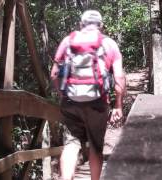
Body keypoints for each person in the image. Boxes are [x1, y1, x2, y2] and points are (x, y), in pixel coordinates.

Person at [50, 10, 126, 180]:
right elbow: (119, 77)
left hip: (71, 101)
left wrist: (63, 95)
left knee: (71, 143)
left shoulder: (67, 41)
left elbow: (54, 74)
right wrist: (118, 106)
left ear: (80, 25)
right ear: (101, 26)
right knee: (96, 147)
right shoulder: (109, 44)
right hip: (98, 103)